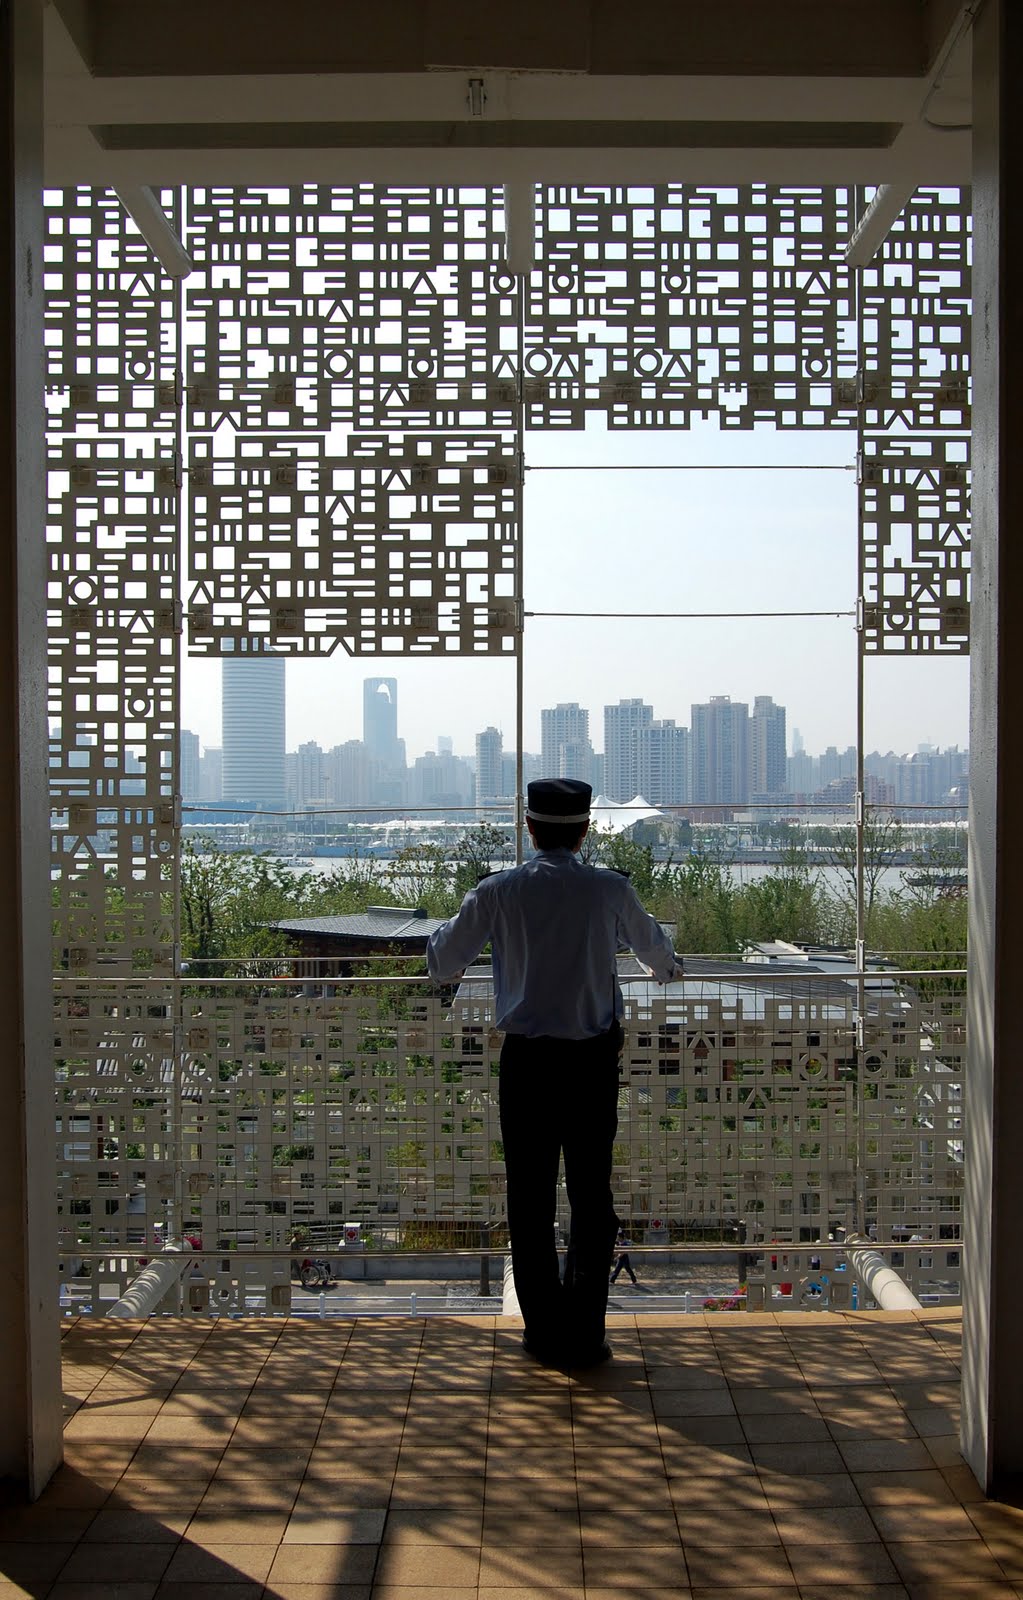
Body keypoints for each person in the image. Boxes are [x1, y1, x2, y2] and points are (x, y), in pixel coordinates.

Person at [426, 778, 683, 1367]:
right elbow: (659, 958)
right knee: (592, 1196)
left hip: (527, 1062)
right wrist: (667, 968)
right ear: (585, 830)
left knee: (530, 1196)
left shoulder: (498, 892)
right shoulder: (610, 891)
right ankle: (586, 1331)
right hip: (592, 1062)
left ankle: (543, 1332)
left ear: (530, 828)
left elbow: (443, 962)